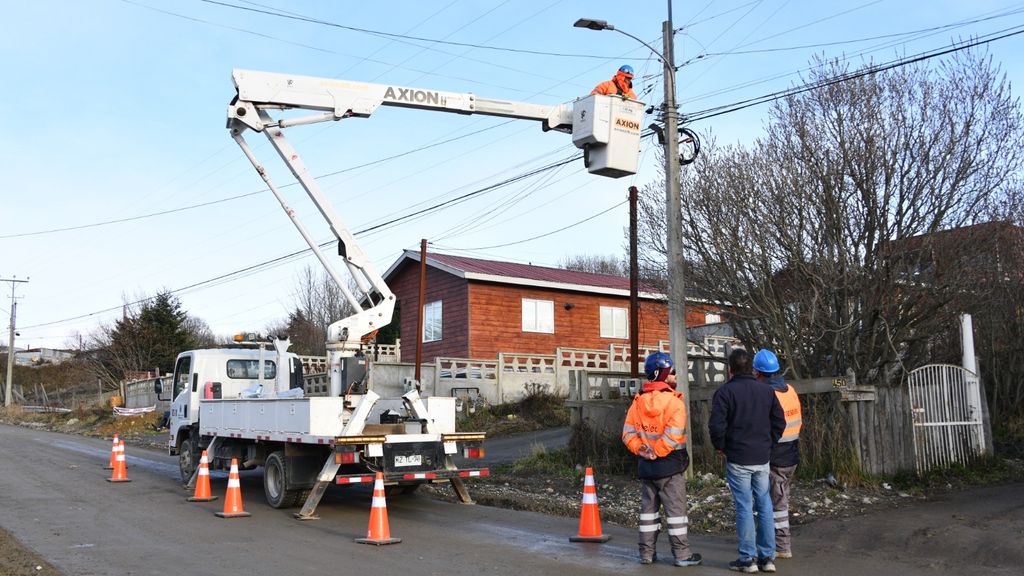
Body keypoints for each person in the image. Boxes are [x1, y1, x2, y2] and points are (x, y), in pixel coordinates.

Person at [622, 352, 702, 567]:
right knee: (676, 513)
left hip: (647, 467)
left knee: (648, 512)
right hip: (670, 466)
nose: (675, 375)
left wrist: (643, 451)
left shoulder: (637, 402)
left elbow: (628, 434)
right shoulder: (674, 403)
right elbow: (673, 435)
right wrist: (657, 451)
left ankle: (646, 554)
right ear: (665, 375)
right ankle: (682, 555)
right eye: (672, 372)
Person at [709, 349, 786, 573]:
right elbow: (779, 422)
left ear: (730, 369)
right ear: (751, 368)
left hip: (738, 457)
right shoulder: (766, 391)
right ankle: (767, 558)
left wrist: (721, 446)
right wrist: (769, 442)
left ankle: (747, 559)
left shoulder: (724, 393)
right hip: (762, 457)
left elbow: (716, 425)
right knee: (764, 504)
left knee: (744, 506)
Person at [753, 349, 802, 560]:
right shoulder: (789, 389)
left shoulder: (765, 394)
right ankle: (774, 542)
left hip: (776, 456)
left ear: (758, 372)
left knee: (777, 503)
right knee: (780, 498)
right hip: (791, 453)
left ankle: (782, 546)